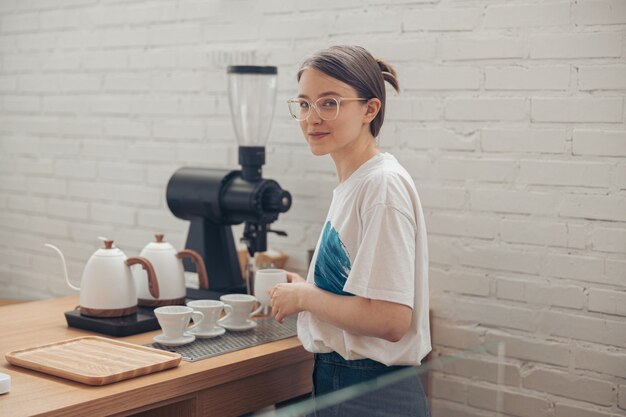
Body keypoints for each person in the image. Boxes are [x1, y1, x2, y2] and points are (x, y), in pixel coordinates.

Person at [269, 45, 431, 417]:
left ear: (369, 110)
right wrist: (308, 288)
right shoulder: (357, 184)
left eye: (329, 103)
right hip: (343, 384)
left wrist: (305, 298)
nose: (312, 118)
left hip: (370, 394)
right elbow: (362, 293)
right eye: (304, 104)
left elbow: (390, 319)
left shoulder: (381, 187)